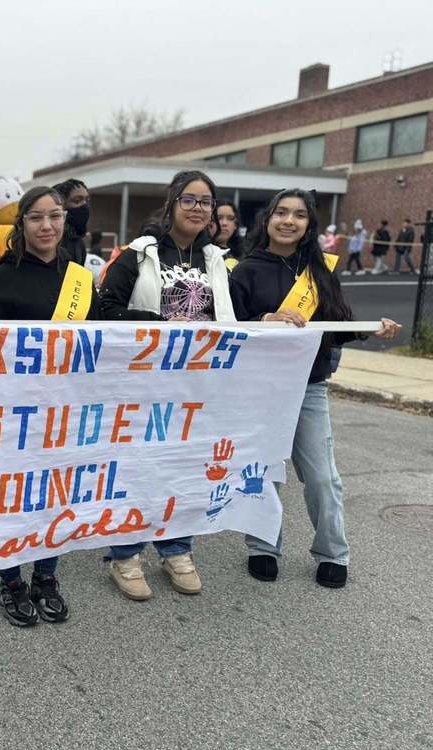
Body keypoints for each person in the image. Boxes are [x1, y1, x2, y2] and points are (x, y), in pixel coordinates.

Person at [229, 189, 400, 588]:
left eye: (299, 215)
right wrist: (265, 317)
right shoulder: (244, 269)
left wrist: (370, 329)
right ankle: (263, 546)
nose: (289, 221)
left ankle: (332, 552)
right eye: (281, 213)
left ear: (309, 224)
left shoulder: (320, 269)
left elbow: (336, 322)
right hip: (260, 388)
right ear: (267, 219)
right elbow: (230, 329)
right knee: (264, 472)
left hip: (309, 386)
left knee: (322, 477)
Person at [98, 170, 236, 600]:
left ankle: (177, 549)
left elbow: (236, 316)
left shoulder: (216, 260)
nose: (198, 208)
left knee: (184, 466)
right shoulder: (138, 255)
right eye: (190, 200)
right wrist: (158, 325)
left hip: (196, 386)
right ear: (172, 203)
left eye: (206, 202)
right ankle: (125, 554)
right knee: (137, 467)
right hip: (144, 384)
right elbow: (104, 309)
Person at [0, 186, 97, 626]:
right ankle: (10, 581)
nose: (47, 226)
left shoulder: (80, 278)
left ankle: (46, 576)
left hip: (64, 409)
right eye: (37, 217)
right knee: (11, 499)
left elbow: (100, 337)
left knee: (54, 494)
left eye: (55, 216)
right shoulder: (2, 279)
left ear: (65, 221)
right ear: (20, 225)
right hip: (13, 411)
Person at [52, 178, 89, 264]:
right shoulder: (49, 239)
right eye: (77, 201)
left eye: (87, 200)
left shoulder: (79, 243)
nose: (84, 205)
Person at [214, 199, 244, 265]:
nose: (224, 223)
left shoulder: (243, 256)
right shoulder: (199, 252)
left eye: (230, 218)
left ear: (235, 225)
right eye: (219, 218)